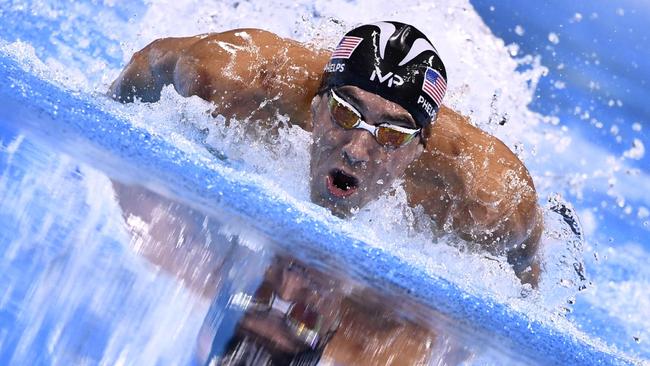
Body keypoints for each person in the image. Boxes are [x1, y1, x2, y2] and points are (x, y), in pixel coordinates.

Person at [109, 21, 542, 364]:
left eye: (259, 295)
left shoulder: (482, 193)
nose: (357, 150)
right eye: (304, 317)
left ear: (417, 150)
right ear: (316, 107)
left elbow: (151, 64)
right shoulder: (389, 343)